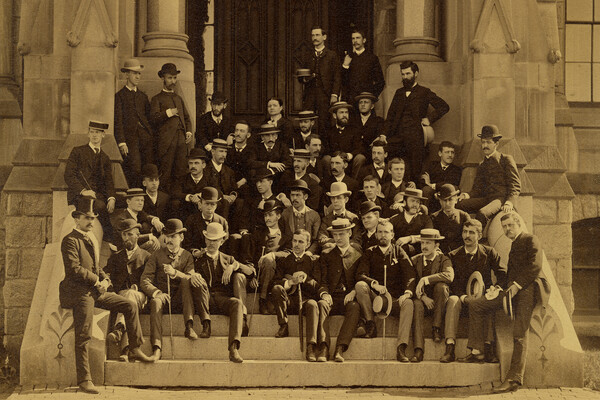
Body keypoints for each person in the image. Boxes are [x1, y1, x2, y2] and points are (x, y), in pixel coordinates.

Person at [59, 197, 152, 394]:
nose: (91, 222)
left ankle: (135, 347)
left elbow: (95, 267)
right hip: (79, 293)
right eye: (86, 218)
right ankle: (84, 380)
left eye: (93, 218)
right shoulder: (70, 241)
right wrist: (96, 281)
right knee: (83, 335)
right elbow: (75, 270)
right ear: (76, 219)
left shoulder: (90, 238)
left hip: (94, 291)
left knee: (129, 305)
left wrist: (104, 279)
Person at [463, 212, 549, 393]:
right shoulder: (514, 244)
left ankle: (514, 379)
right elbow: (509, 275)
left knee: (519, 332)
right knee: (477, 304)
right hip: (512, 291)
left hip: (529, 289)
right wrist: (498, 288)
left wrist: (517, 285)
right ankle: (477, 351)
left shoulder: (530, 239)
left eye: (510, 225)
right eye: (504, 227)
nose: (507, 229)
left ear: (519, 224)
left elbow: (535, 266)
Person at [189, 222, 256, 363]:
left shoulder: (228, 259)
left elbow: (251, 272)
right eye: (210, 240)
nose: (212, 243)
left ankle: (233, 348)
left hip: (221, 299)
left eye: (216, 240)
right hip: (204, 300)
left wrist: (233, 266)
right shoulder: (197, 259)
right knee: (199, 283)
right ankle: (206, 325)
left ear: (222, 241)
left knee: (237, 303)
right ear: (205, 240)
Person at [442, 219, 505, 363]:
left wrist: (495, 288)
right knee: (452, 300)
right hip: (462, 297)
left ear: (480, 235)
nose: (467, 236)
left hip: (482, 297)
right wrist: (463, 297)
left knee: (487, 301)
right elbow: (452, 282)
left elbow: (502, 273)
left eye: (471, 232)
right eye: (465, 232)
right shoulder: (453, 255)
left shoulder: (489, 252)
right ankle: (450, 347)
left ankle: (488, 349)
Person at [355, 218, 416, 361]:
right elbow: (360, 275)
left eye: (386, 232)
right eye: (380, 232)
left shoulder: (399, 251)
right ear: (376, 235)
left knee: (409, 303)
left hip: (393, 299)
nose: (383, 235)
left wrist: (407, 293)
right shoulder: (369, 252)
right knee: (360, 286)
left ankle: (401, 347)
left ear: (392, 235)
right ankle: (371, 324)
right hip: (375, 298)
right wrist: (374, 284)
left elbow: (410, 275)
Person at [383, 61, 449, 182]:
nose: (405, 77)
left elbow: (444, 106)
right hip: (397, 136)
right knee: (384, 154)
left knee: (414, 170)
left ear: (416, 73)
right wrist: (383, 135)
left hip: (415, 137)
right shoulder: (399, 93)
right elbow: (390, 116)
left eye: (408, 74)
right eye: (403, 74)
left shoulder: (424, 92)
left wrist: (429, 119)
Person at [140, 219, 196, 361]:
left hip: (181, 300)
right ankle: (156, 347)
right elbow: (145, 280)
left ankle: (189, 326)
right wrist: (157, 293)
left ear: (181, 237)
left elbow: (191, 278)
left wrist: (175, 273)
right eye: (167, 236)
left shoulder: (187, 256)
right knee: (155, 302)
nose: (169, 240)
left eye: (173, 236)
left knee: (185, 282)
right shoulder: (156, 255)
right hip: (163, 298)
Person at [271, 230, 328, 362]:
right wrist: (289, 282)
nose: (296, 244)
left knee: (313, 304)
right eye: (295, 241)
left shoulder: (314, 261)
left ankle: (311, 346)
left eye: (301, 242)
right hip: (289, 301)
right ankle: (283, 325)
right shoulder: (284, 260)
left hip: (306, 301)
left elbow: (318, 285)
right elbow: (275, 281)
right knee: (277, 289)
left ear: (307, 244)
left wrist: (306, 278)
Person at [104, 219, 152, 362]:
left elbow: (151, 280)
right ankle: (127, 350)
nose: (126, 238)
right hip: (122, 297)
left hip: (141, 297)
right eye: (124, 235)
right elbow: (106, 275)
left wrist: (139, 286)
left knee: (129, 296)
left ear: (137, 235)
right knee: (127, 300)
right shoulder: (116, 257)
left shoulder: (146, 256)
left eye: (129, 234)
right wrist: (111, 288)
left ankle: (118, 329)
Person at [457, 125, 521, 228]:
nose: (485, 145)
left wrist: (509, 202)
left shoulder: (505, 159)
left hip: (500, 199)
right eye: (483, 142)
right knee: (459, 205)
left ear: (496, 143)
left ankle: (477, 239)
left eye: (488, 142)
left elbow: (515, 185)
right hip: (486, 199)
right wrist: (466, 195)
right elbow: (477, 189)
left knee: (482, 213)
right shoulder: (482, 164)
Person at [318, 218, 363, 362]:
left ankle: (340, 348)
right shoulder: (326, 254)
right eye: (335, 235)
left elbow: (361, 277)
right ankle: (324, 348)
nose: (337, 238)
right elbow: (322, 280)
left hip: (347, 298)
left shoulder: (358, 255)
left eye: (341, 234)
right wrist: (324, 293)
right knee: (321, 305)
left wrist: (354, 292)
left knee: (355, 308)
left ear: (349, 233)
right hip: (331, 297)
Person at [64, 120, 116, 240]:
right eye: (92, 132)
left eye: (97, 132)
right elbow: (69, 175)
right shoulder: (78, 152)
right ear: (88, 134)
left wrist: (111, 198)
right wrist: (83, 191)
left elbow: (109, 181)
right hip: (80, 196)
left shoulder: (105, 158)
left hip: (98, 196)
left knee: (123, 201)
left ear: (103, 135)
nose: (94, 135)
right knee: (100, 206)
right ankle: (110, 238)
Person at [410, 229, 453, 363]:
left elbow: (449, 276)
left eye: (428, 243)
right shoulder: (415, 260)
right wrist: (423, 297)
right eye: (422, 243)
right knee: (416, 304)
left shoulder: (443, 259)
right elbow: (410, 282)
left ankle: (436, 328)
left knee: (441, 287)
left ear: (437, 245)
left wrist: (426, 279)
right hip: (422, 300)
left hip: (439, 303)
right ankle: (418, 350)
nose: (424, 246)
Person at [150, 63, 193, 190]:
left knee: (180, 171)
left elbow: (186, 117)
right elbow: (153, 119)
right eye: (169, 78)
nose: (172, 81)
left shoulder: (178, 98)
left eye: (174, 78)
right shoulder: (156, 99)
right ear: (163, 78)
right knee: (165, 172)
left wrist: (189, 132)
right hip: (166, 142)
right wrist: (168, 113)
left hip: (181, 141)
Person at [114, 59, 154, 187]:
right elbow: (118, 121)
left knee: (148, 168)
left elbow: (149, 118)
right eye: (134, 73)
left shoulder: (143, 96)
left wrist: (150, 135)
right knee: (135, 168)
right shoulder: (120, 96)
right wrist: (121, 142)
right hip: (130, 140)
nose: (137, 76)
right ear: (126, 75)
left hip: (145, 139)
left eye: (139, 73)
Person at [248, 200, 292, 314]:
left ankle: (265, 298)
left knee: (269, 259)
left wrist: (273, 254)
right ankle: (263, 300)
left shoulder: (285, 235)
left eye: (270, 215)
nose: (267, 218)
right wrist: (252, 276)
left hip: (278, 272)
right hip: (260, 273)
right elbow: (250, 256)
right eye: (265, 215)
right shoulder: (258, 234)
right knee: (267, 261)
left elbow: (288, 252)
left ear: (278, 216)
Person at [299, 26, 341, 133]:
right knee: (307, 120)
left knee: (324, 122)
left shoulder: (332, 55)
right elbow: (301, 76)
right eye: (313, 35)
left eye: (317, 35)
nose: (315, 38)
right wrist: (305, 79)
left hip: (325, 94)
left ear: (324, 37)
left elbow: (337, 76)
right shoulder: (308, 55)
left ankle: (323, 148)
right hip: (310, 93)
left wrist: (334, 94)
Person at [110, 188, 163, 252]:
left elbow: (147, 216)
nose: (140, 203)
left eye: (142, 200)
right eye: (137, 200)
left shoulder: (138, 214)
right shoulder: (122, 219)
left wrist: (155, 220)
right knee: (152, 244)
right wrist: (150, 236)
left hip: (135, 247)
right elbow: (131, 237)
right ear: (128, 201)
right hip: (124, 251)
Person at [341, 29, 385, 104]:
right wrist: (345, 66)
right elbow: (342, 82)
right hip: (351, 101)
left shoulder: (372, 58)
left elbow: (380, 82)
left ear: (364, 40)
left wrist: (371, 96)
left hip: (366, 101)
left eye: (358, 38)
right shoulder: (348, 58)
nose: (355, 41)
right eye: (353, 38)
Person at [325, 101, 366, 178]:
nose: (344, 115)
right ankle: (330, 181)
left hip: (349, 163)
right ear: (334, 115)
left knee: (360, 158)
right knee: (326, 159)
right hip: (334, 162)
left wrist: (349, 155)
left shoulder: (354, 130)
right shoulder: (329, 132)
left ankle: (353, 182)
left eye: (346, 112)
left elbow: (360, 147)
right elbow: (325, 149)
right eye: (341, 112)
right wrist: (336, 156)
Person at [280, 180, 321, 256]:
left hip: (307, 253)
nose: (294, 198)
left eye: (298, 195)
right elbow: (281, 237)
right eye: (292, 195)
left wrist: (309, 252)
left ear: (305, 197)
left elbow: (316, 240)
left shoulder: (314, 215)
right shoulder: (285, 214)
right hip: (288, 253)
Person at [183, 187, 229, 254]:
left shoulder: (222, 222)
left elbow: (224, 244)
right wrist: (195, 252)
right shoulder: (191, 221)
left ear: (216, 206)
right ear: (200, 205)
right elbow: (187, 244)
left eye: (212, 204)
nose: (209, 208)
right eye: (207, 204)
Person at [170, 148, 211, 223]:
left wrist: (200, 196)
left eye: (196, 163)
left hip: (204, 208)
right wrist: (190, 197)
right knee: (175, 203)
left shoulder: (210, 179)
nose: (193, 166)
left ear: (204, 165)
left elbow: (217, 191)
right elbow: (175, 192)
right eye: (190, 163)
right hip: (186, 210)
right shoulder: (182, 179)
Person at [318, 182, 362, 252]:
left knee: (356, 247)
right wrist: (337, 244)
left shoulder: (353, 218)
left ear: (346, 199)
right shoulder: (326, 219)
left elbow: (357, 239)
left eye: (339, 198)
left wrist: (343, 245)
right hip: (332, 250)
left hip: (350, 251)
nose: (335, 201)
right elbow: (322, 238)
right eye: (333, 198)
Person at [419, 141, 462, 212]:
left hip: (446, 194)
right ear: (440, 153)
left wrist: (432, 185)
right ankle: (424, 215)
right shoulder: (431, 165)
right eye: (447, 152)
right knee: (426, 190)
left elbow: (449, 183)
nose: (450, 155)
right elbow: (422, 179)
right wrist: (431, 187)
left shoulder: (456, 170)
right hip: (431, 195)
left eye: (452, 152)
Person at [389, 188, 433, 256]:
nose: (415, 204)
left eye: (417, 202)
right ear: (404, 202)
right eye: (412, 201)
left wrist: (410, 238)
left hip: (421, 256)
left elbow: (429, 237)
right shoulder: (394, 220)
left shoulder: (425, 219)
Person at [431, 184, 471, 254]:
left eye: (450, 199)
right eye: (444, 200)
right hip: (441, 255)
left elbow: (470, 237)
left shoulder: (464, 216)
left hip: (461, 254)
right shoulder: (434, 218)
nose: (447, 203)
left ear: (456, 200)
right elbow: (432, 240)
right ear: (440, 201)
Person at [205, 138, 239, 219]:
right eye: (221, 151)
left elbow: (234, 188)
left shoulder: (229, 171)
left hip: (228, 201)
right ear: (213, 152)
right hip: (213, 201)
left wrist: (233, 195)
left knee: (240, 202)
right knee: (224, 203)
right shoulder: (206, 169)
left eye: (225, 152)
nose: (224, 155)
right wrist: (223, 196)